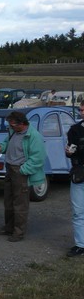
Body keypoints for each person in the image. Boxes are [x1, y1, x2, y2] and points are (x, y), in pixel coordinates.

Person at [0, 111, 47, 242]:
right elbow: (7, 142)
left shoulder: (34, 136)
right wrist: (2, 147)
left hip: (20, 171)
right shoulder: (13, 132)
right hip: (9, 168)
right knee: (8, 201)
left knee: (20, 203)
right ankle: (9, 227)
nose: (11, 127)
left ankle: (19, 232)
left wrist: (23, 170)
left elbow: (38, 159)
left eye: (13, 124)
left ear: (22, 124)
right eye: (10, 124)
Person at [65, 101, 84, 257]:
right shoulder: (74, 130)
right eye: (81, 109)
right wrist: (69, 152)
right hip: (79, 173)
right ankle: (80, 244)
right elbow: (70, 149)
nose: (82, 112)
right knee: (78, 211)